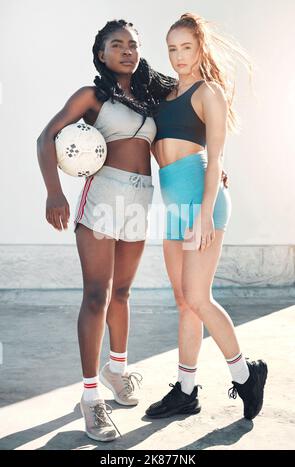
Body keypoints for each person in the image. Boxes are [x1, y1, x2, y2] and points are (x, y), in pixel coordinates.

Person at [36, 19, 179, 442]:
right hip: (102, 198)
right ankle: (90, 398)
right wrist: (53, 194)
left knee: (123, 293)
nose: (127, 51)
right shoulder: (91, 96)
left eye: (133, 45)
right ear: (102, 54)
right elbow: (46, 137)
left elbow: (172, 143)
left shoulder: (150, 98)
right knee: (97, 295)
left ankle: (117, 371)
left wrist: (211, 170)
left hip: (139, 198)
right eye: (117, 45)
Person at [145, 12, 267, 421]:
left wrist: (204, 216)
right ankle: (186, 391)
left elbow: (216, 159)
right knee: (183, 303)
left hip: (202, 204)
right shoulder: (162, 94)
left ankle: (246, 373)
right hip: (175, 206)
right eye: (173, 49)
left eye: (187, 47)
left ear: (200, 48)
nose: (180, 57)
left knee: (198, 297)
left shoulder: (208, 92)